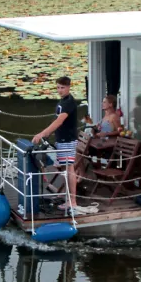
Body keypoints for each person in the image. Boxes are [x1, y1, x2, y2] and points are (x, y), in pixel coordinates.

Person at [32, 76, 96, 215]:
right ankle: (68, 196)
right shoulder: (63, 101)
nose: (60, 90)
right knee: (64, 168)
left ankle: (72, 201)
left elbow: (59, 121)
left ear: (68, 87)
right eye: (58, 88)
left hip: (67, 140)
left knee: (69, 169)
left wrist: (42, 134)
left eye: (62, 88)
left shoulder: (69, 103)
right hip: (61, 140)